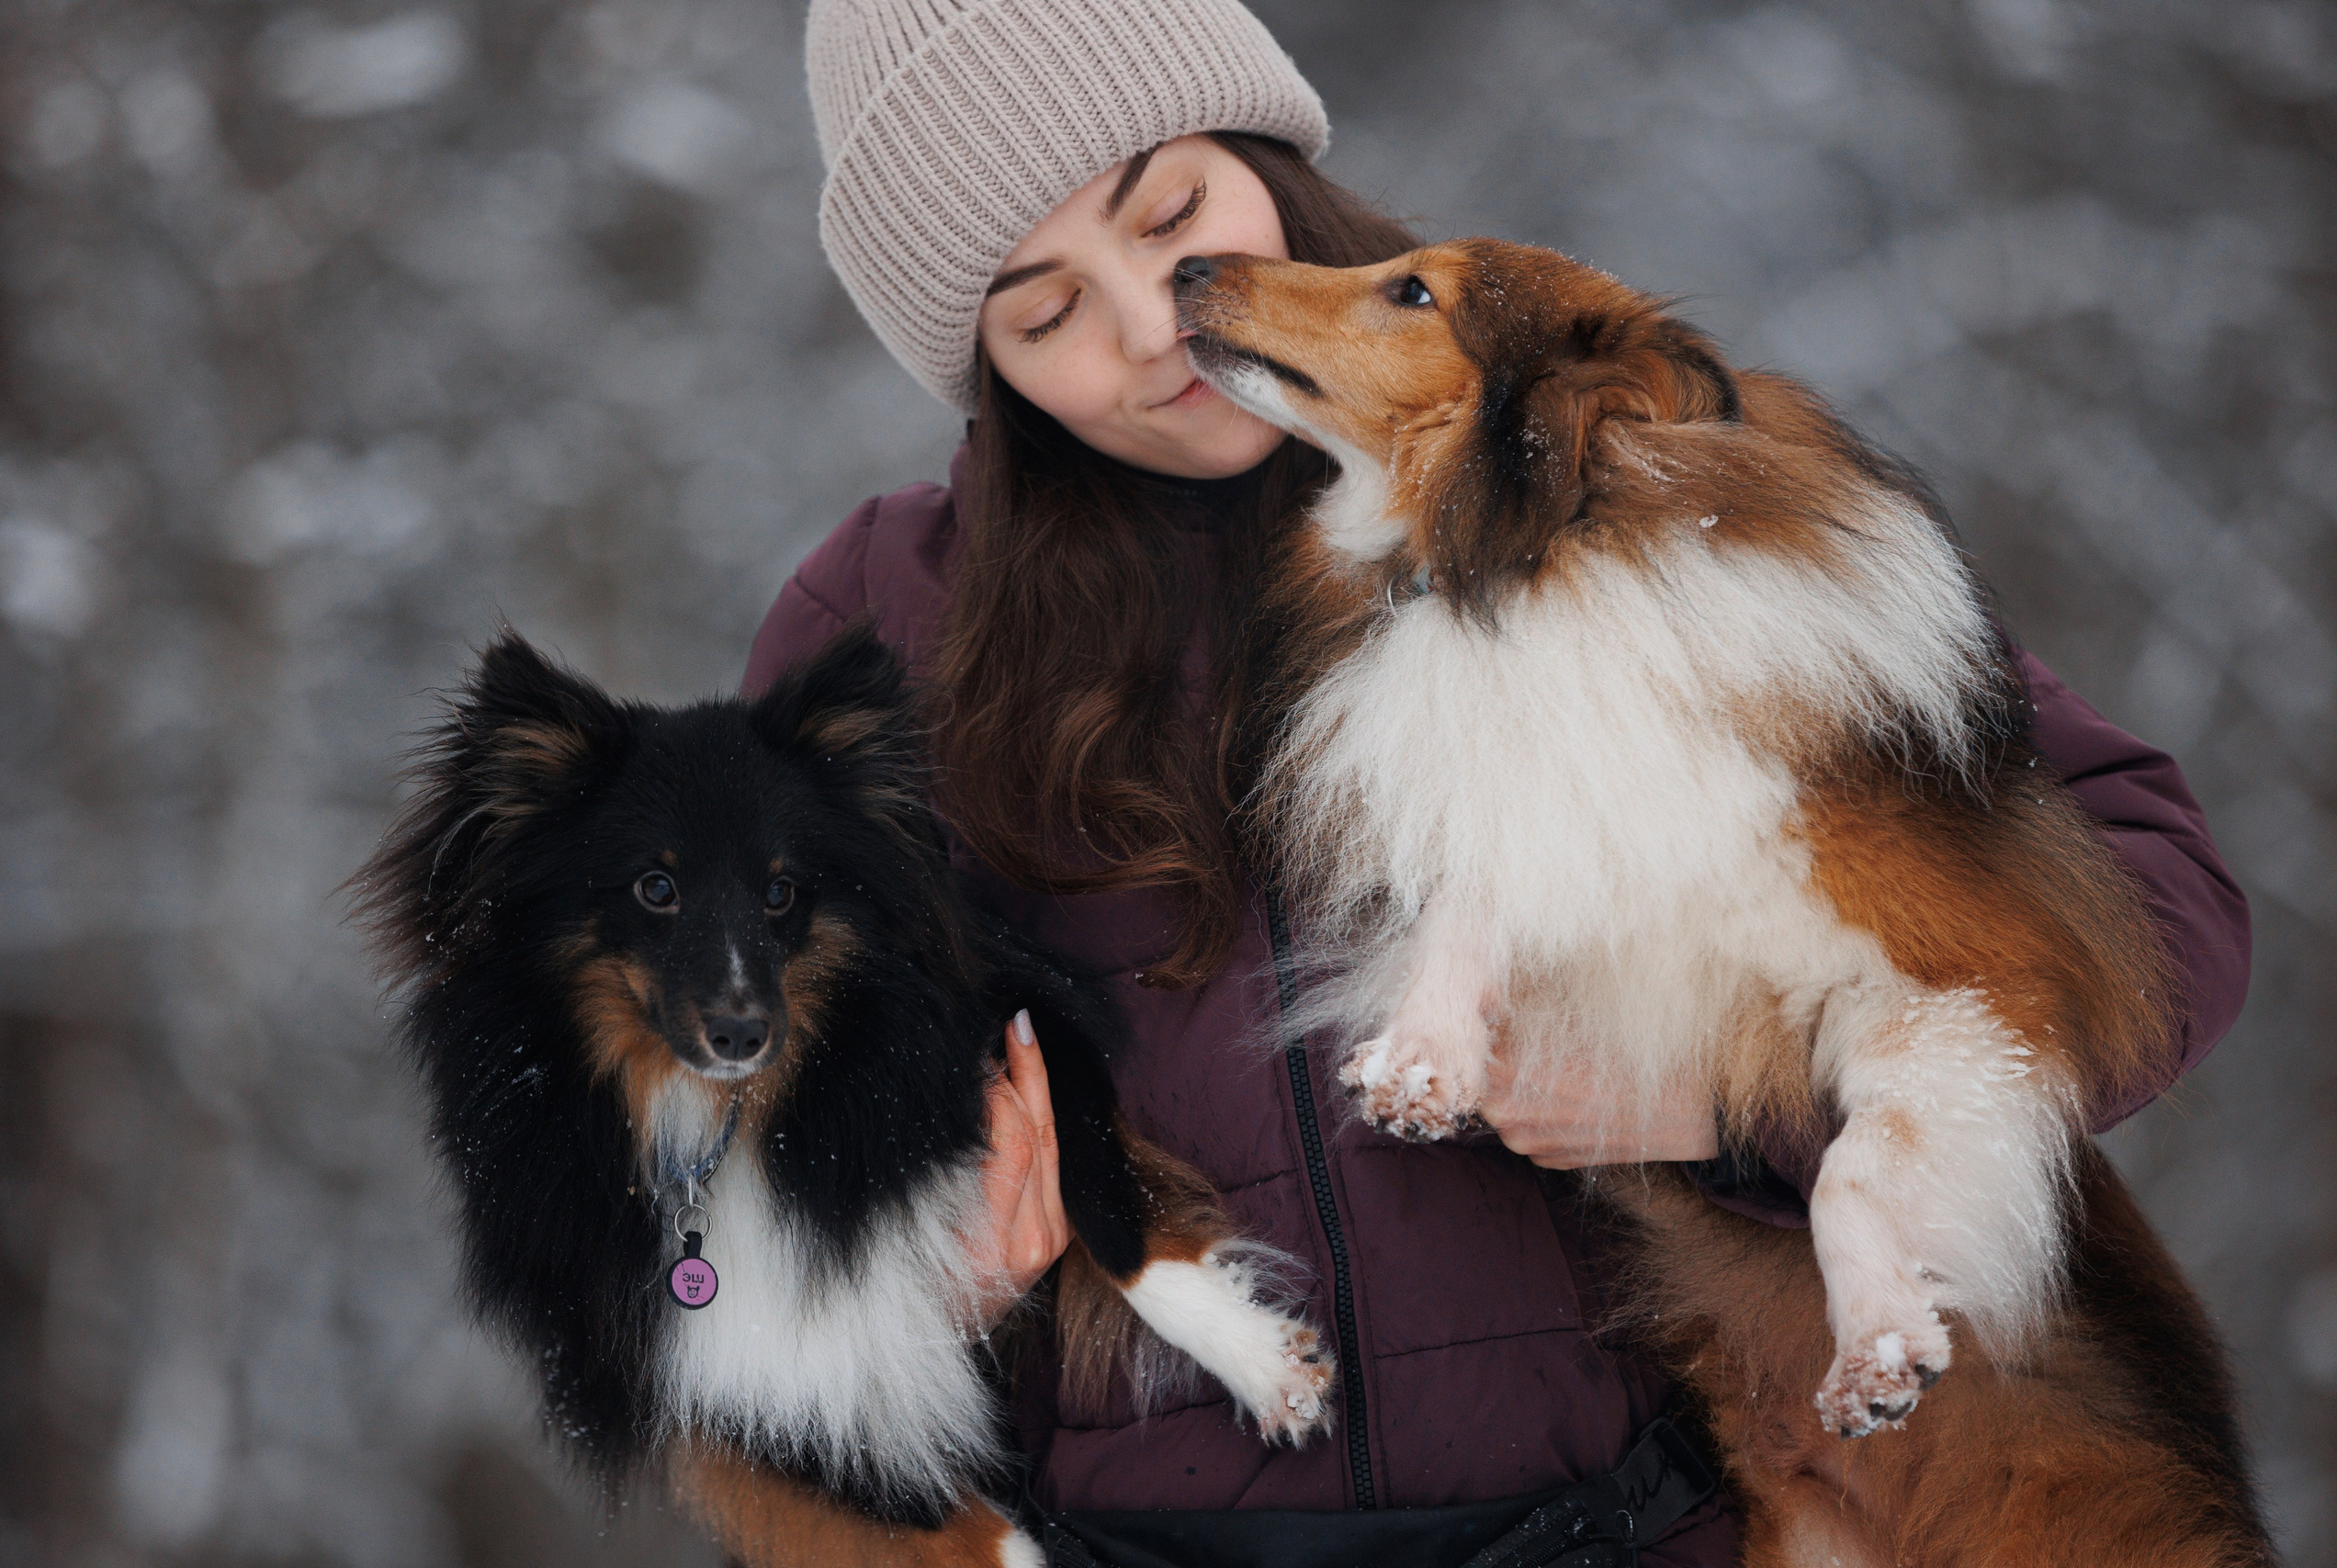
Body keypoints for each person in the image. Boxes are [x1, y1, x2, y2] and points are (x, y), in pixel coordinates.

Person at [747, 2, 2252, 1561]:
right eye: (1044, 312)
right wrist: (892, 1268)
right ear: (977, 366)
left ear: (1262, 154)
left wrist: (1734, 1105)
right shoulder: (880, 626)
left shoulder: (1625, 447)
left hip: (1675, 1518)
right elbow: (684, 1233)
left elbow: (2160, 906)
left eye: (1174, 215)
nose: (1151, 328)